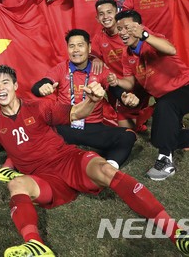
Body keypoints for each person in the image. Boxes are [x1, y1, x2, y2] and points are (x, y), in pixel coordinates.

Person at [0, 65, 189, 257]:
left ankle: (176, 232)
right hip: (43, 178)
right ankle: (35, 246)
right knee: (16, 183)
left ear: (15, 85)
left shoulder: (38, 107)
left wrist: (91, 100)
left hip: (68, 159)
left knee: (105, 169)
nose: (0, 87)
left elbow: (76, 114)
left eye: (5, 82)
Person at [109, 10, 189, 180]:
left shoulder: (153, 39)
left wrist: (144, 34)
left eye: (126, 27)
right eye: (119, 29)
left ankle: (165, 161)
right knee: (159, 138)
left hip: (187, 90)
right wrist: (117, 82)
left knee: (165, 107)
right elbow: (130, 82)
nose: (122, 32)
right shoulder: (127, 55)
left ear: (138, 26)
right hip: (165, 101)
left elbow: (171, 49)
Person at [31, 29, 138, 169]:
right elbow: (39, 85)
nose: (76, 50)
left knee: (128, 135)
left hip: (92, 127)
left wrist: (126, 97)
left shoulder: (99, 69)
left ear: (89, 48)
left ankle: (109, 168)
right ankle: (17, 165)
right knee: (33, 129)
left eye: (80, 45)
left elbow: (116, 90)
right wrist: (42, 88)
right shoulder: (61, 68)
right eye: (72, 46)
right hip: (65, 125)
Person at [91, 0, 152, 131]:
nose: (106, 17)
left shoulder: (132, 30)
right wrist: (95, 58)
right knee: (129, 128)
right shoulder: (98, 39)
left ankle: (159, 112)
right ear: (97, 18)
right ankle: (137, 117)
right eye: (101, 14)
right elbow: (93, 55)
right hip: (118, 85)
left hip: (141, 81)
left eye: (109, 12)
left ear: (117, 12)